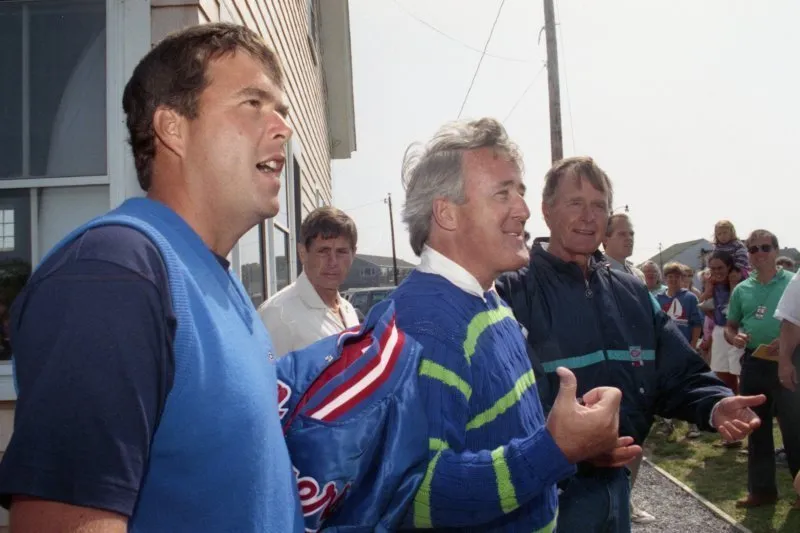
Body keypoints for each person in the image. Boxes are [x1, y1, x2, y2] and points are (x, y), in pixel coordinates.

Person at [0, 23, 303, 532]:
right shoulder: (112, 275)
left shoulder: (215, 282)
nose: (282, 127)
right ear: (172, 128)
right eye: (253, 103)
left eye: (283, 112)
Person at [497, 156, 765, 533]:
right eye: (575, 203)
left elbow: (676, 370)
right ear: (546, 210)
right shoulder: (512, 289)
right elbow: (506, 401)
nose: (589, 216)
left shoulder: (632, 291)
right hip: (547, 499)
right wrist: (577, 448)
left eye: (599, 205)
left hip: (618, 488)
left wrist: (715, 402)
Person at [390, 119, 630, 531]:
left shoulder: (489, 301)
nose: (522, 209)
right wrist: (554, 448)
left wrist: (570, 440)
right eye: (502, 193)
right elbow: (414, 496)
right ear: (446, 213)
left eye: (519, 191)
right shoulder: (425, 325)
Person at [725, 230, 800, 508]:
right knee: (756, 427)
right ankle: (762, 491)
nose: (759, 253)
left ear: (776, 250)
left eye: (765, 247)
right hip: (754, 362)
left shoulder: (793, 282)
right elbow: (731, 326)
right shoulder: (742, 289)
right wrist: (735, 337)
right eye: (753, 249)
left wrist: (789, 343)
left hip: (791, 359)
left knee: (795, 428)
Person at [260, 206, 359, 356]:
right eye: (323, 251)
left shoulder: (348, 310)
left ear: (353, 254)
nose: (333, 261)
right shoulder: (277, 314)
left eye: (341, 252)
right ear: (302, 253)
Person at [701, 250, 744, 395]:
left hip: (738, 331)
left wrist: (733, 284)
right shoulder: (713, 283)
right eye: (713, 268)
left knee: (739, 373)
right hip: (719, 330)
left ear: (729, 267)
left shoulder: (741, 282)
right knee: (722, 375)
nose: (716, 272)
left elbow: (734, 309)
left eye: (720, 268)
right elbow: (702, 303)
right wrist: (708, 288)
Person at [658, 262, 704, 348]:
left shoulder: (691, 297)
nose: (673, 279)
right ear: (665, 279)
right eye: (670, 276)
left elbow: (697, 324)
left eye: (677, 277)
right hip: (664, 346)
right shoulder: (658, 298)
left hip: (685, 345)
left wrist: (693, 344)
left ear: (682, 278)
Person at [602, 212, 645, 283]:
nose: (629, 238)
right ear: (605, 240)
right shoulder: (597, 274)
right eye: (622, 234)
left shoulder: (638, 275)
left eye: (631, 234)